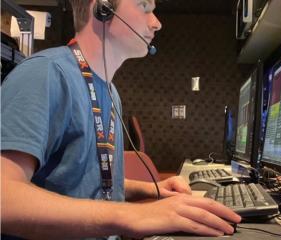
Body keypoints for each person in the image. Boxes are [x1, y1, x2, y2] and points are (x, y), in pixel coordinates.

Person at [1, 0, 241, 239]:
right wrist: (133, 216)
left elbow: (88, 184)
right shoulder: (46, 74)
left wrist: (152, 190)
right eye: (144, 7)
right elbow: (5, 199)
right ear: (103, 8)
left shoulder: (110, 91)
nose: (156, 23)